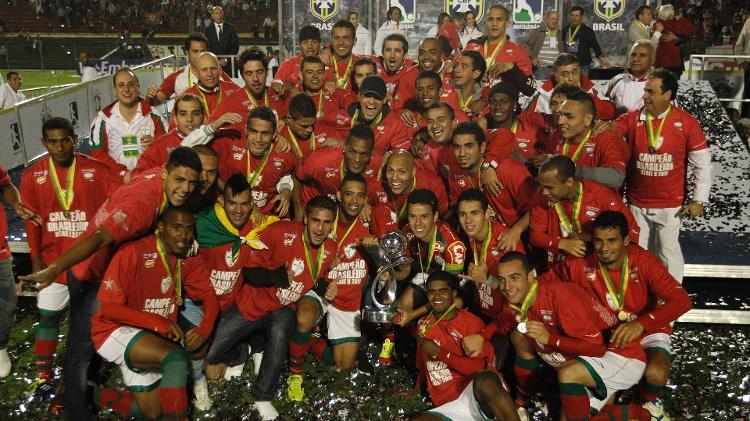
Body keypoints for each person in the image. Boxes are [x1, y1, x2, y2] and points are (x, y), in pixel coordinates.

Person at [20, 147, 202, 418]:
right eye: (179, 180)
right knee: (81, 351)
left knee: (94, 349)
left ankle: (88, 391)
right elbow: (100, 238)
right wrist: (54, 268)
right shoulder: (140, 207)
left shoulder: (157, 179)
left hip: (111, 271)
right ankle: (76, 411)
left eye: (191, 182)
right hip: (90, 275)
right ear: (165, 173)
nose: (186, 188)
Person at [546, 211, 693, 420]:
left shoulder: (643, 261)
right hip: (610, 337)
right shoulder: (581, 265)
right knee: (573, 414)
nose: (604, 249)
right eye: (599, 241)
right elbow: (543, 284)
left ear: (626, 240)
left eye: (612, 241)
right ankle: (635, 412)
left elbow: (682, 301)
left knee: (656, 372)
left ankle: (646, 402)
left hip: (647, 328)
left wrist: (641, 324)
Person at [204, 195, 337, 420]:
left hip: (280, 308)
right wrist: (275, 276)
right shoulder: (279, 231)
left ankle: (262, 396)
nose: (320, 228)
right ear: (306, 218)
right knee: (212, 354)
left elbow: (314, 274)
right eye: (316, 220)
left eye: (326, 223)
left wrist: (324, 287)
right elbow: (248, 269)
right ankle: (242, 351)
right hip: (251, 305)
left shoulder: (330, 249)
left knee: (282, 326)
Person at [22, 117, 120, 401]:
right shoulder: (33, 175)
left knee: (86, 324)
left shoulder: (96, 170)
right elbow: (32, 222)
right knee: (48, 318)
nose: (59, 146)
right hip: (54, 263)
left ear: (74, 139)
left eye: (65, 140)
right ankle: (42, 378)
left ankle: (86, 375)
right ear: (44, 143)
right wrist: (37, 261)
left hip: (90, 264)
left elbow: (121, 199)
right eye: (52, 141)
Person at [91, 206, 219, 420]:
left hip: (151, 337)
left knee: (153, 414)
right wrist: (156, 322)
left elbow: (210, 297)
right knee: (176, 360)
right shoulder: (133, 252)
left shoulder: (187, 257)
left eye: (188, 229)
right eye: (177, 228)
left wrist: (204, 329)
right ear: (161, 227)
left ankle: (88, 393)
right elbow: (108, 308)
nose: (183, 236)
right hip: (114, 329)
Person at [494, 252, 646, 420]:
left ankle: (638, 414)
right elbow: (502, 322)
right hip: (584, 362)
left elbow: (597, 348)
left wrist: (549, 339)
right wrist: (481, 335)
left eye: (514, 278)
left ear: (530, 276)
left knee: (568, 374)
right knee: (519, 336)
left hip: (620, 356)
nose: (507, 287)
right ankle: (522, 403)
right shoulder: (519, 301)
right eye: (502, 280)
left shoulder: (561, 298)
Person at [614, 69, 712, 282]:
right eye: (645, 90)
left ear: (667, 94)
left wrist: (699, 200)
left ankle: (671, 308)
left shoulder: (687, 123)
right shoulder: (632, 118)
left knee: (667, 256)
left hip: (670, 205)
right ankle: (643, 302)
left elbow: (702, 165)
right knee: (639, 257)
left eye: (651, 91)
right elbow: (611, 132)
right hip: (636, 203)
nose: (644, 96)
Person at [286, 174, 372, 400]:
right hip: (319, 288)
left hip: (347, 297)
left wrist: (375, 244)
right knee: (304, 317)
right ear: (338, 195)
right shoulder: (324, 218)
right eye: (349, 193)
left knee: (342, 365)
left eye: (360, 195)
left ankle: (309, 339)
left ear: (366, 200)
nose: (354, 200)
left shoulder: (369, 226)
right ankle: (295, 374)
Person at [404, 271, 519, 421]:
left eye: (443, 291)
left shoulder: (471, 322)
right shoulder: (423, 324)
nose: (437, 297)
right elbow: (424, 363)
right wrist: (417, 390)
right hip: (450, 404)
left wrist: (440, 353)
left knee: (486, 380)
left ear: (454, 294)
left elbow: (480, 368)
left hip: (476, 393)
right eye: (432, 292)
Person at [529, 156, 639, 264]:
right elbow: (535, 235)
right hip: (560, 266)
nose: (544, 192)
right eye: (542, 186)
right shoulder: (542, 197)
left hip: (595, 268)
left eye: (550, 187)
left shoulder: (602, 196)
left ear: (569, 182)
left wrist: (594, 238)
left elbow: (632, 232)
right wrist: (562, 244)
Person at [446, 122, 537, 237]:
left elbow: (537, 208)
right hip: (484, 241)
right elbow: (456, 204)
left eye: (469, 146)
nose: (462, 153)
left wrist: (516, 231)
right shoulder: (455, 173)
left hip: (519, 238)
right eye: (457, 147)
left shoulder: (509, 170)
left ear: (482, 147)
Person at [212, 106, 296, 217]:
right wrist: (228, 190)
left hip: (262, 219)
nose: (258, 139)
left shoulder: (284, 153)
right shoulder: (227, 142)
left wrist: (286, 190)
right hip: (227, 215)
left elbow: (285, 176)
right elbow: (200, 161)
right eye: (254, 132)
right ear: (246, 130)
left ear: (274, 134)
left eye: (265, 133)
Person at [537, 89, 629, 189]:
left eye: (569, 116)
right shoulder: (556, 135)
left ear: (587, 119)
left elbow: (616, 177)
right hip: (564, 201)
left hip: (596, 203)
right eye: (561, 115)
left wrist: (568, 171)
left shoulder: (605, 137)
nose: (560, 121)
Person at [133, 94, 241, 176]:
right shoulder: (159, 145)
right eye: (183, 114)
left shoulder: (218, 142)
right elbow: (137, 175)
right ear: (175, 119)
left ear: (204, 118)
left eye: (195, 113)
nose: (189, 119)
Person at [90, 68, 167, 179]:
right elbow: (97, 155)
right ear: (114, 90)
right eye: (121, 85)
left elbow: (168, 149)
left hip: (148, 180)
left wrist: (156, 146)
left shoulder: (155, 116)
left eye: (131, 85)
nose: (126, 89)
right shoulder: (103, 119)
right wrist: (122, 173)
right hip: (116, 182)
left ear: (138, 87)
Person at [369, 151, 449, 236]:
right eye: (390, 170)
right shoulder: (377, 185)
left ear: (413, 172)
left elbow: (442, 215)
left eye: (401, 172)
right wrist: (363, 205)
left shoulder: (433, 184)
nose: (394, 178)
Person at [296, 124, 376, 209]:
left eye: (364, 154)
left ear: (371, 154)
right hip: (315, 212)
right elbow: (297, 175)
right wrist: (298, 208)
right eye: (352, 152)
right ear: (344, 147)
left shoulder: (378, 168)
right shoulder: (321, 160)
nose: (357, 159)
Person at [464, 5, 534, 94]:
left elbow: (530, 89)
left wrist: (511, 68)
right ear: (486, 22)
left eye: (499, 20)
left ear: (507, 23)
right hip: (470, 103)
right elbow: (454, 69)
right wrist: (449, 62)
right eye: (490, 19)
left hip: (499, 105)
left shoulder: (518, 51)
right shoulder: (472, 45)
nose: (494, 24)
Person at [525, 53, 616, 121]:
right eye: (565, 75)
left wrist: (584, 96)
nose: (571, 79)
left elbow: (611, 113)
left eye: (574, 73)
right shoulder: (541, 96)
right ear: (556, 76)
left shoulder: (590, 91)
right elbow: (526, 121)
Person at [212, 48, 285, 124]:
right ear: (242, 76)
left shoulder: (280, 95)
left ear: (267, 72)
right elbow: (209, 126)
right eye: (249, 74)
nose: (255, 79)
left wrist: (285, 121)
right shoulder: (231, 101)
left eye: (259, 72)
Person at [182, 52, 242, 121]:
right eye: (204, 69)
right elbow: (174, 130)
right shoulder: (185, 97)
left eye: (213, 68)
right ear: (196, 73)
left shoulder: (235, 90)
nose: (210, 74)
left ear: (220, 71)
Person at [606, 40, 656, 114]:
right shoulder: (618, 80)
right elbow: (602, 105)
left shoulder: (661, 84)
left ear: (652, 60)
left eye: (642, 55)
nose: (635, 59)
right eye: (633, 55)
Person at [272, 25, 321, 96]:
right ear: (299, 45)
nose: (310, 46)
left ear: (319, 44)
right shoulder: (288, 64)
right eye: (305, 42)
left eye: (314, 42)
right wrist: (285, 87)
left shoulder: (326, 63)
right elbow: (277, 86)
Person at [562, 5, 608, 75]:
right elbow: (561, 46)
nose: (574, 18)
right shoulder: (565, 30)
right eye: (572, 15)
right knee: (569, 86)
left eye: (577, 15)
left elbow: (595, 45)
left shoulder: (588, 31)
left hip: (583, 66)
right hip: (568, 66)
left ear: (581, 17)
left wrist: (600, 57)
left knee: (582, 85)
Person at [653, 5, 694, 80]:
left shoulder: (656, 24)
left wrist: (675, 37)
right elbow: (690, 28)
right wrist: (681, 19)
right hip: (673, 62)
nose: (674, 15)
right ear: (669, 15)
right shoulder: (674, 23)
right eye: (673, 14)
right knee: (673, 84)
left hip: (660, 61)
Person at [521, 9, 563, 82]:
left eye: (557, 19)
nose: (555, 21)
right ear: (547, 20)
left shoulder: (560, 34)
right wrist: (532, 57)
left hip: (557, 70)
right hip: (541, 69)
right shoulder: (538, 31)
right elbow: (524, 43)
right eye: (552, 19)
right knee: (541, 92)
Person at [325, 20, 360, 93]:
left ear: (355, 41)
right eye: (337, 38)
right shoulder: (321, 65)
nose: (341, 42)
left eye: (346, 38)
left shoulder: (361, 65)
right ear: (331, 40)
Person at [205, 6, 239, 76]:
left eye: (221, 13)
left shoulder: (231, 28)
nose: (219, 15)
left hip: (230, 65)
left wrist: (226, 59)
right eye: (217, 13)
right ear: (212, 15)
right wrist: (216, 60)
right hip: (214, 66)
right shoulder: (208, 30)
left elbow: (235, 46)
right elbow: (207, 48)